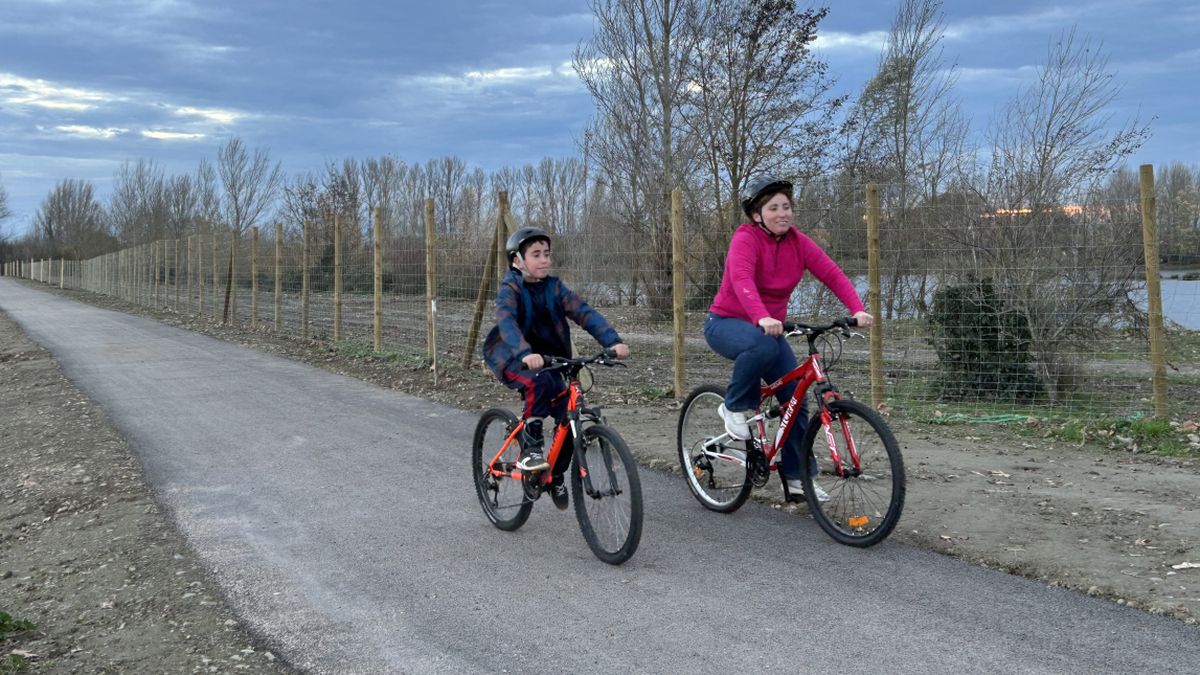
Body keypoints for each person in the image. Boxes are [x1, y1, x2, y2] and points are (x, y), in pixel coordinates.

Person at [705, 175, 873, 501]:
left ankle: (797, 479)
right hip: (726, 323)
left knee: (796, 400)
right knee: (761, 344)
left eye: (786, 207)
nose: (783, 213)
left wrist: (857, 308)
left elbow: (832, 273)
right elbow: (741, 279)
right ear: (757, 215)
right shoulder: (745, 239)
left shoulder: (798, 242)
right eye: (773, 208)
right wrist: (761, 316)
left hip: (770, 329)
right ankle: (735, 406)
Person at [482, 226, 630, 505]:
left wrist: (613, 342)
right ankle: (531, 448)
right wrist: (525, 352)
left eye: (547, 254)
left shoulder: (555, 288)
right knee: (540, 382)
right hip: (513, 355)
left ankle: (555, 476)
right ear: (517, 261)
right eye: (536, 254)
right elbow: (507, 322)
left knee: (569, 416)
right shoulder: (510, 288)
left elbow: (584, 312)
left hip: (551, 358)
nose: (545, 260)